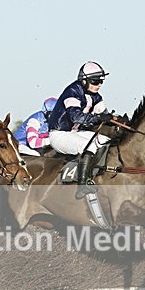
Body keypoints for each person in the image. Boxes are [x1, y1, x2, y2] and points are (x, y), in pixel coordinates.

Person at [48, 61, 117, 199]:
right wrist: (100, 118)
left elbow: (105, 115)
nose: (99, 85)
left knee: (105, 140)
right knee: (90, 146)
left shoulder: (96, 96)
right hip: (59, 135)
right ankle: (83, 183)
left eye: (101, 81)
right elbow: (76, 117)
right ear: (84, 80)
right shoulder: (72, 91)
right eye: (96, 81)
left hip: (75, 133)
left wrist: (117, 121)